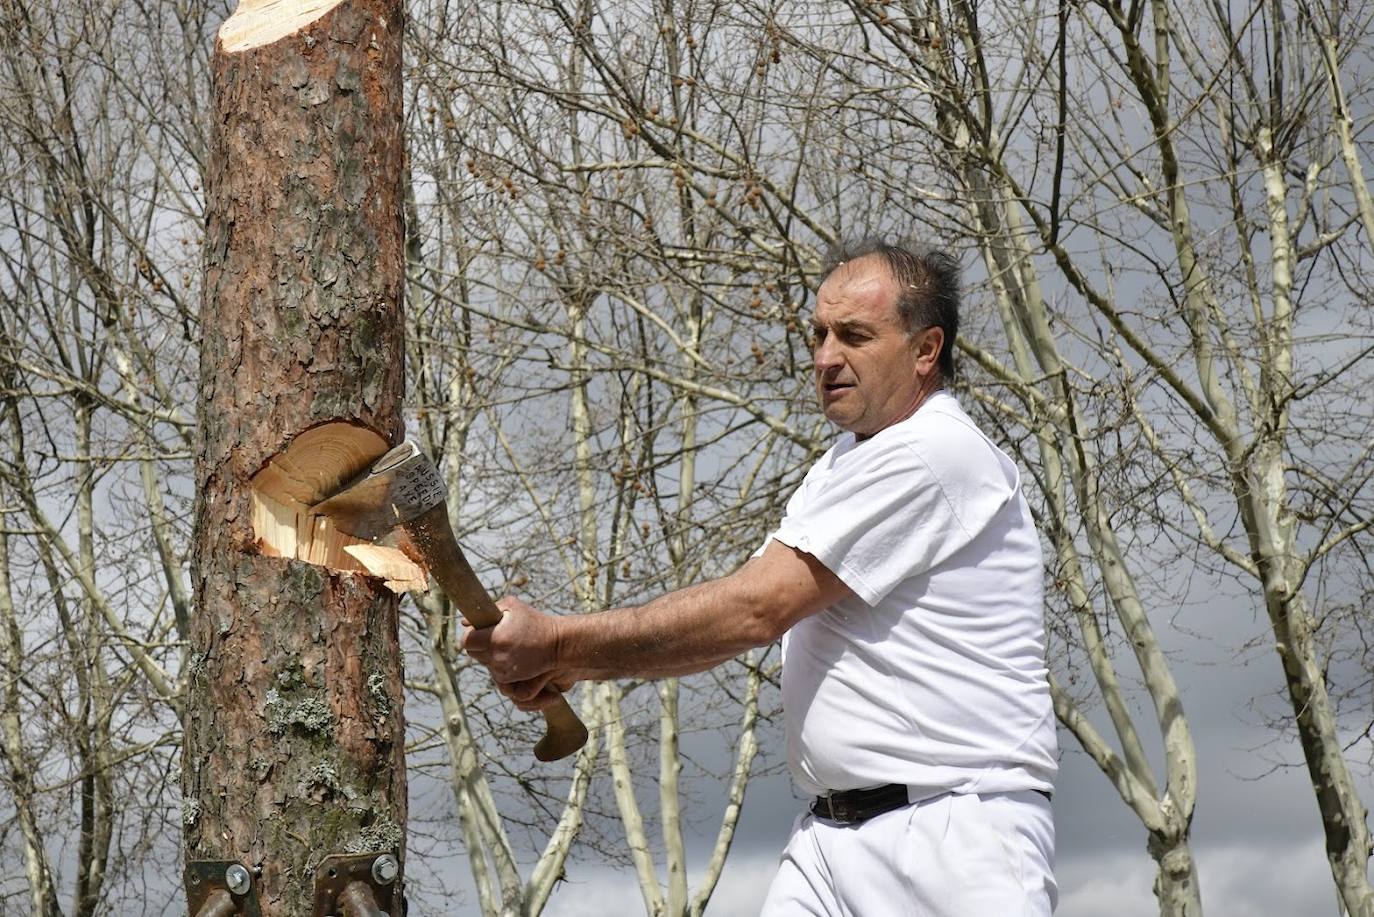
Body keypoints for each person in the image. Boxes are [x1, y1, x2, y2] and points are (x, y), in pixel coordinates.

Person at [463, 239, 1058, 916]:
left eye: (854, 335)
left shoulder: (935, 452)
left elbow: (756, 608)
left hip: (953, 842)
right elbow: (750, 596)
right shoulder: (843, 461)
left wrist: (564, 646)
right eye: (819, 334)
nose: (826, 357)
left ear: (926, 350)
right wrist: (576, 657)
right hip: (831, 837)